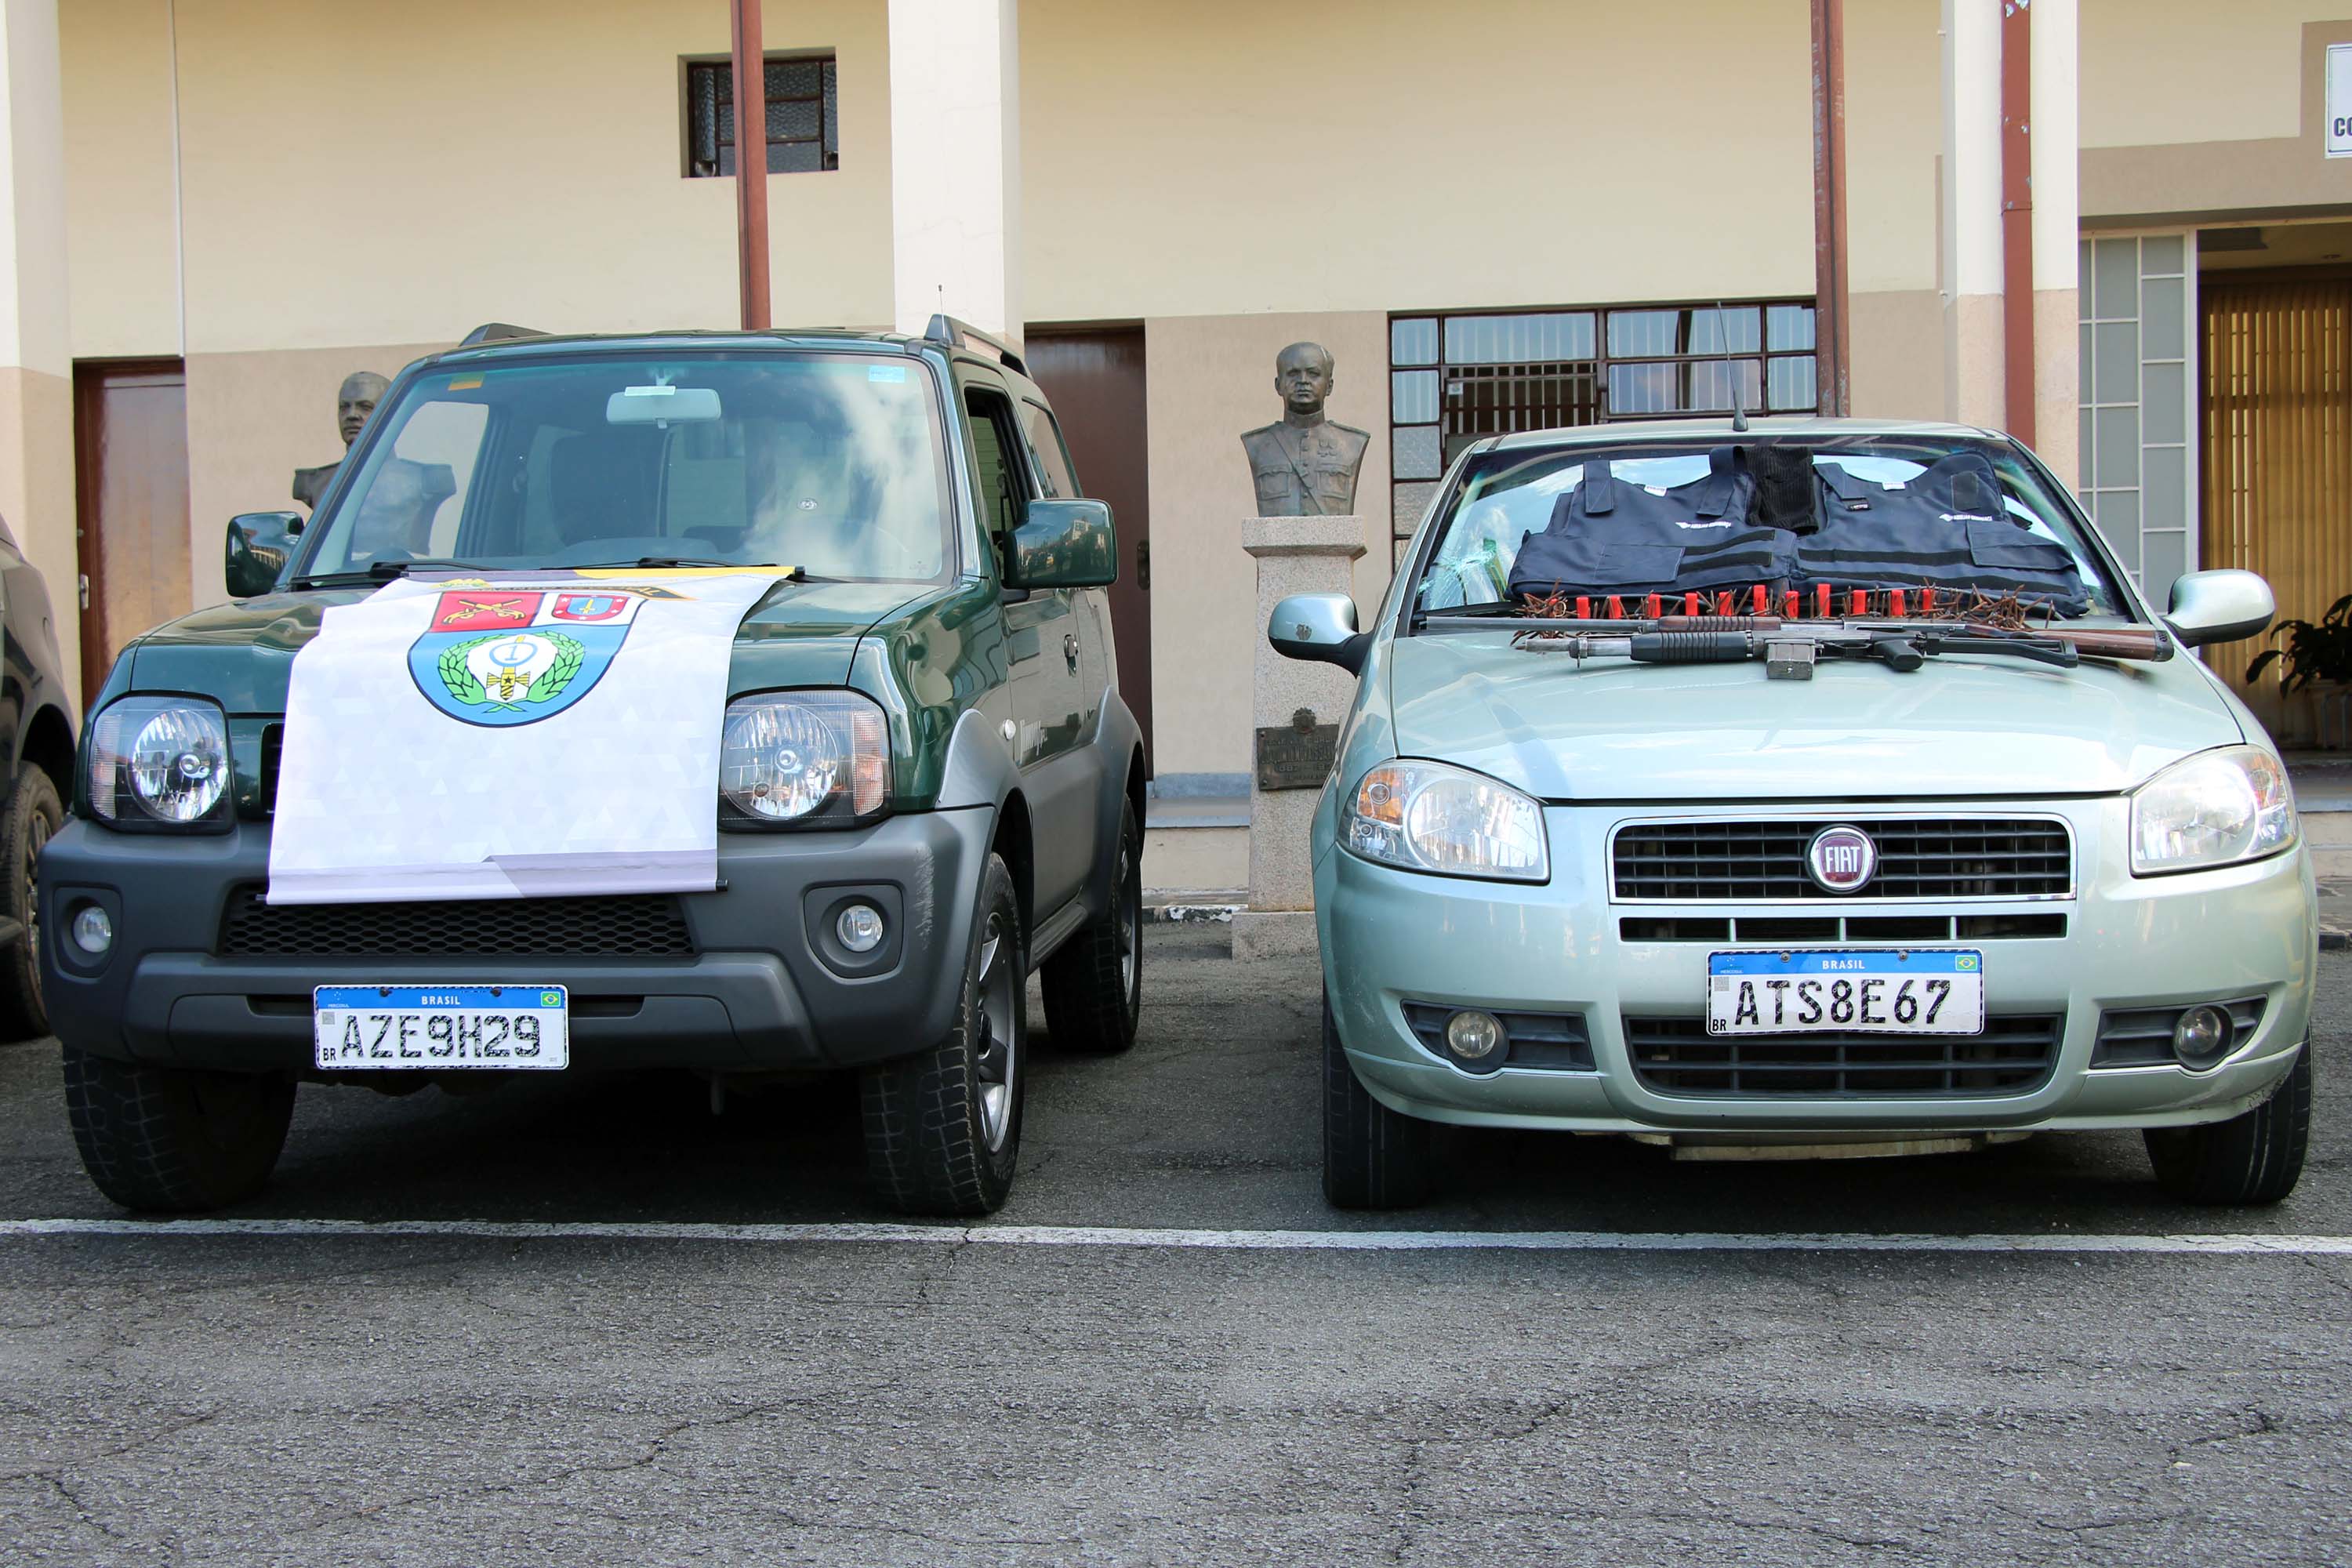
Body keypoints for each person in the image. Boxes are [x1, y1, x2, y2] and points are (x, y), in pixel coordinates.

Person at [1240, 343, 1370, 516]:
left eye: (1313, 374)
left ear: (1329, 385)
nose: (1303, 381)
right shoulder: (1257, 444)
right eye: (1293, 374)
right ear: (1278, 385)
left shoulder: (1352, 443)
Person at [292, 371, 391, 513]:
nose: (352, 415)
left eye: (365, 407)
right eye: (344, 407)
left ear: (389, 414)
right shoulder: (315, 482)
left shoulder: (417, 479)